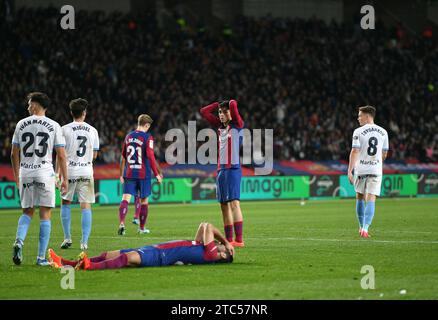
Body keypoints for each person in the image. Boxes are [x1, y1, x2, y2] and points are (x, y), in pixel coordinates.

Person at [11, 92, 68, 266]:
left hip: (26, 173)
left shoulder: (21, 124)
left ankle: (19, 241)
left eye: (29, 104)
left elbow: (14, 153)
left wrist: (17, 177)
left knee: (27, 212)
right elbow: (61, 155)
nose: (28, 107)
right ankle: (41, 258)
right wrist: (64, 178)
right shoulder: (54, 125)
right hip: (45, 172)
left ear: (36, 105)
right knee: (45, 214)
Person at [48, 222, 234, 269]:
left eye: (224, 250)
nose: (220, 245)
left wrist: (226, 242)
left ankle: (89, 266)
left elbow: (209, 226)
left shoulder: (210, 255)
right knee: (108, 254)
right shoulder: (204, 248)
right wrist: (222, 243)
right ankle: (68, 264)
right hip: (156, 248)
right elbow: (203, 225)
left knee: (126, 258)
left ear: (224, 255)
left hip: (160, 257)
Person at [200, 100, 245, 247]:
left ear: (231, 113)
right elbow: (204, 112)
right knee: (223, 206)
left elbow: (233, 103)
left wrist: (227, 106)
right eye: (220, 112)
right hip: (221, 170)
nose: (221, 115)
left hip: (233, 169)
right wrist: (217, 104)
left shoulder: (237, 125)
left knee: (234, 204)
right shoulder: (219, 128)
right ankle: (229, 240)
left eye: (225, 112)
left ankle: (239, 240)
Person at [57, 98, 99, 251]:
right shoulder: (93, 130)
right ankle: (84, 242)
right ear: (84, 113)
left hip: (69, 172)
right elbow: (94, 155)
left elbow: (59, 153)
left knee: (65, 203)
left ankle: (67, 238)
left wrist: (57, 175)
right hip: (86, 172)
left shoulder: (64, 129)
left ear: (71, 112)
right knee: (85, 205)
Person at [347, 106, 389, 238]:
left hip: (361, 169)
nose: (358, 118)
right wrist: (376, 162)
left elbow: (354, 151)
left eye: (360, 115)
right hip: (376, 169)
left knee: (359, 196)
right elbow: (384, 153)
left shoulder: (358, 132)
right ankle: (365, 229)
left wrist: (350, 170)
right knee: (371, 198)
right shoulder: (383, 132)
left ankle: (360, 227)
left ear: (367, 116)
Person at [117, 114, 163, 235]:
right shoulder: (148, 138)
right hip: (143, 174)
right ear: (147, 125)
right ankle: (142, 228)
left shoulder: (128, 136)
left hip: (130, 172)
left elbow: (123, 157)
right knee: (144, 201)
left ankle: (122, 223)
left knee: (126, 198)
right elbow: (151, 156)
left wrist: (121, 174)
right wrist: (157, 174)